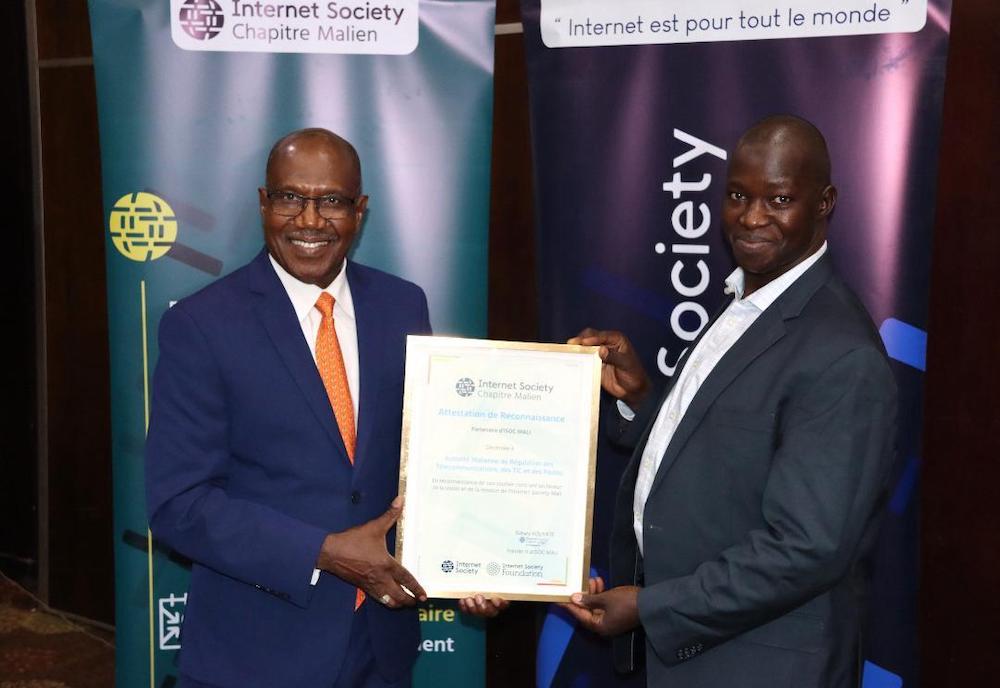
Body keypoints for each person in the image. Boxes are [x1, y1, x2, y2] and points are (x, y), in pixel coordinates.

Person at [145, 128, 499, 688]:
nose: (310, 220)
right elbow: (178, 504)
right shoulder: (201, 325)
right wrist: (324, 552)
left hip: (380, 649)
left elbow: (432, 459)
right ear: (264, 203)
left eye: (332, 201)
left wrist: (479, 562)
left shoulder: (402, 304)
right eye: (290, 197)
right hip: (255, 655)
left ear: (360, 210)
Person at [563, 115, 898, 687]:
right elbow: (720, 449)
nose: (751, 217)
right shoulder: (748, 301)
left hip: (761, 665)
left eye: (779, 199)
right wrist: (640, 398)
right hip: (701, 657)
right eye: (739, 195)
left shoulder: (842, 354)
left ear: (825, 203)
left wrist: (650, 608)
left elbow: (804, 549)